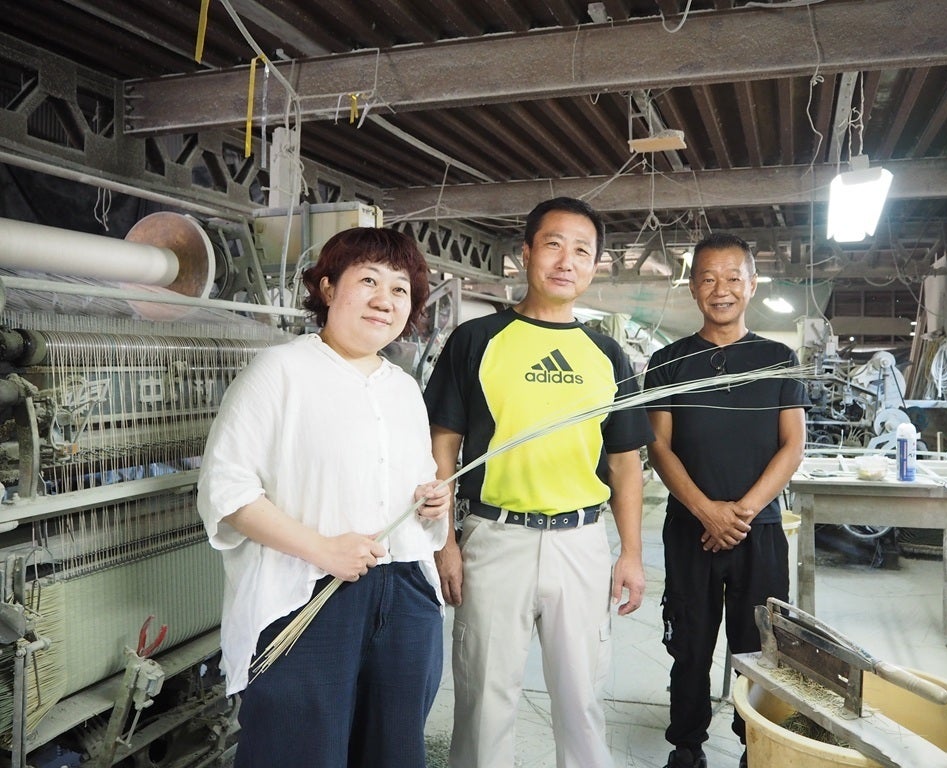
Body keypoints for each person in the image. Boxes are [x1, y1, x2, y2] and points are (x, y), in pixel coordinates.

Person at [196, 227, 451, 768]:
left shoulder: (404, 388)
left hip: (406, 590)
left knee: (394, 749)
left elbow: (417, 482)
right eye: (369, 281)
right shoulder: (279, 372)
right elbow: (227, 489)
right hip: (308, 591)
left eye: (400, 289)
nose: (385, 300)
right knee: (299, 749)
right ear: (329, 288)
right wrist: (321, 548)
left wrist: (432, 502)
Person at [423, 196, 652, 768]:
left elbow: (625, 462)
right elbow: (442, 445)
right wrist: (445, 542)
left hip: (581, 543)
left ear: (595, 265)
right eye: (553, 244)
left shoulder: (607, 353)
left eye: (582, 251)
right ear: (525, 253)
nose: (566, 261)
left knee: (582, 700)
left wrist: (630, 553)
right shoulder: (476, 340)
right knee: (484, 700)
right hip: (495, 539)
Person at [643, 232, 810, 768]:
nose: (721, 289)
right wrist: (706, 511)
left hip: (759, 532)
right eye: (708, 278)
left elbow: (793, 445)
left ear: (752, 285)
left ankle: (753, 746)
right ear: (693, 287)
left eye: (733, 278)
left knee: (759, 647)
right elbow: (659, 447)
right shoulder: (668, 361)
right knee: (689, 644)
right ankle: (687, 747)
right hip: (689, 528)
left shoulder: (778, 358)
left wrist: (741, 513)